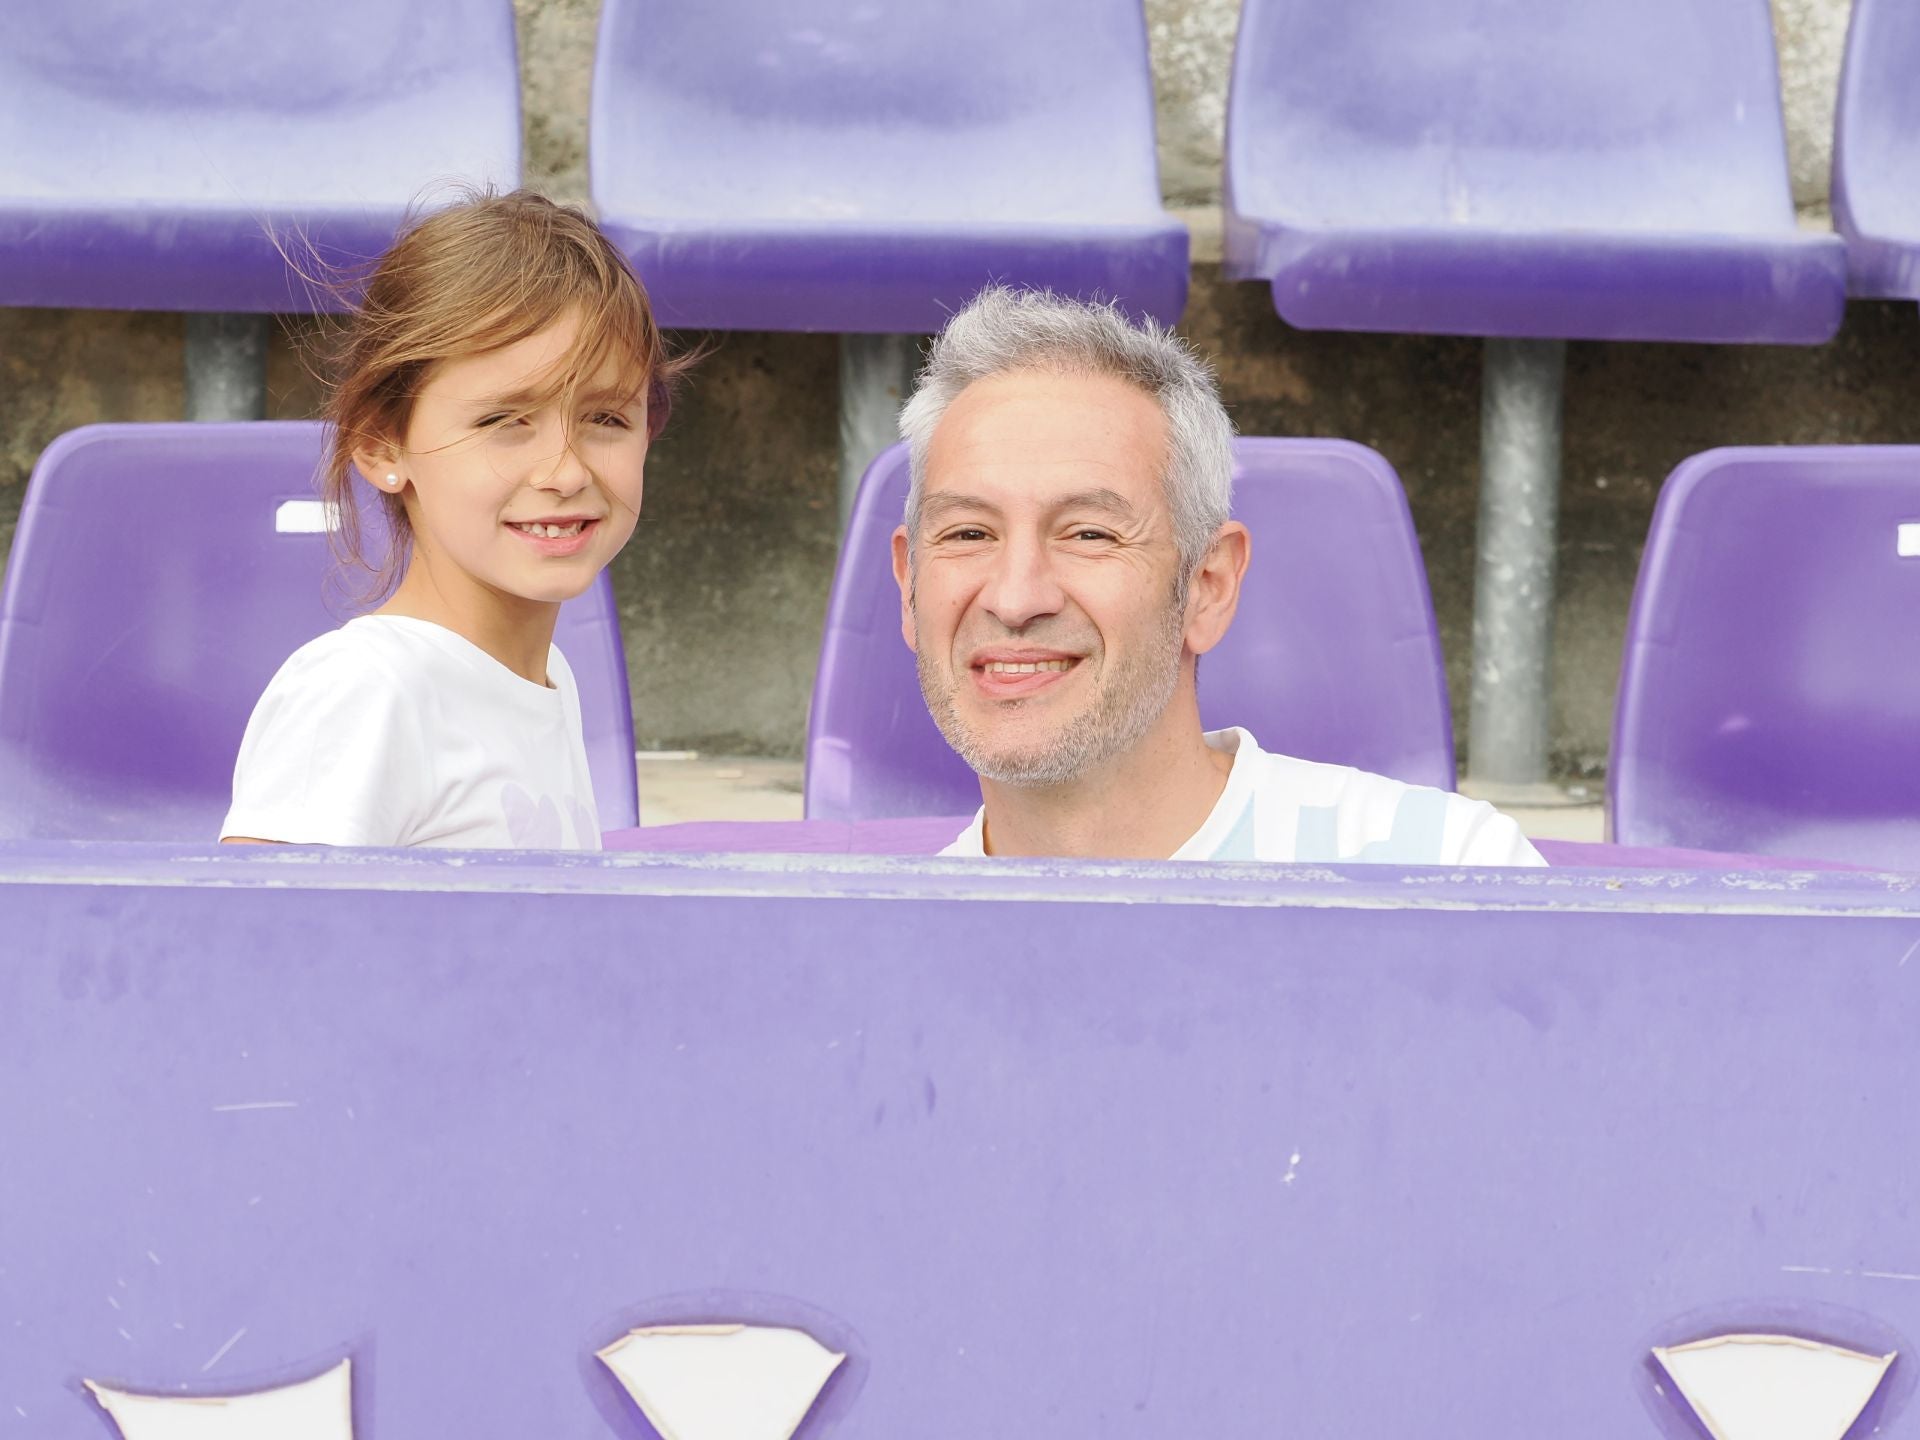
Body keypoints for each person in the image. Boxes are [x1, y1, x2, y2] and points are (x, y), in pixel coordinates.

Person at [890, 286, 1545, 866]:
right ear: (909, 584)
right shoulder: (874, 953)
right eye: (969, 534)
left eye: (1089, 534)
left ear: (1209, 585)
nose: (1015, 597)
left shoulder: (1449, 873)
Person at [222, 190, 688, 849]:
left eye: (606, 419)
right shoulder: (364, 691)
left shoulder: (547, 673)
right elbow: (251, 939)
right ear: (383, 445)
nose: (566, 471)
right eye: (503, 421)